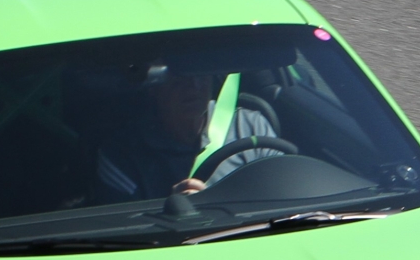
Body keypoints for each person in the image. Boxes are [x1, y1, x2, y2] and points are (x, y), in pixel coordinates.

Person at [93, 66, 282, 202]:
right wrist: (173, 210)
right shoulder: (122, 154)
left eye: (200, 74)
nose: (193, 85)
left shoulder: (251, 125)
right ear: (152, 86)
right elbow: (122, 229)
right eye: (177, 75)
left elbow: (283, 195)